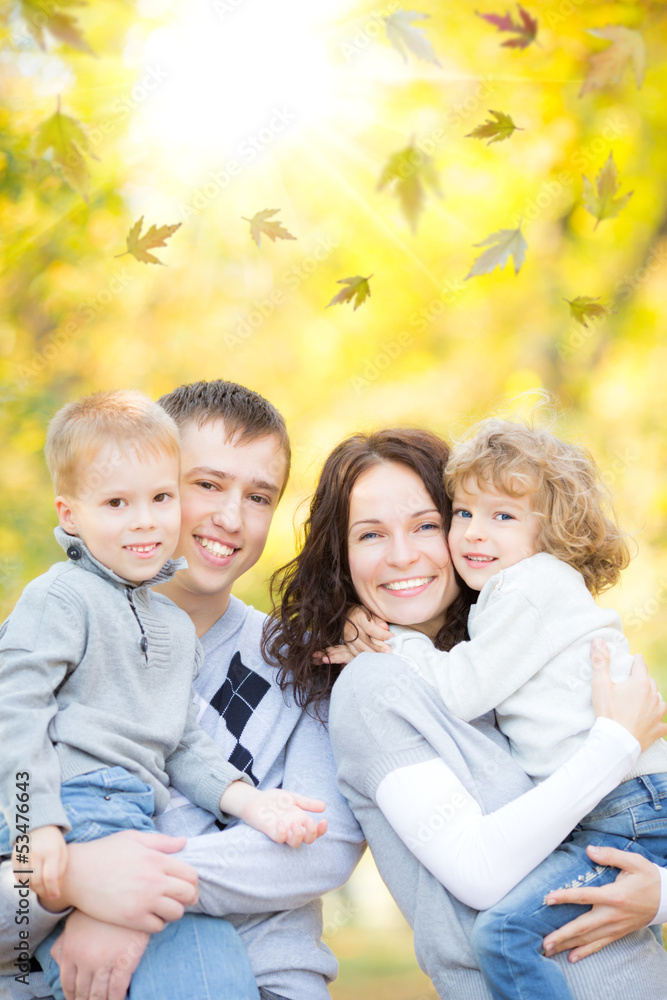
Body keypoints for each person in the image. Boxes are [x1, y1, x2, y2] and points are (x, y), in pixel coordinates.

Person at [264, 427, 667, 999]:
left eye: (427, 524)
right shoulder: (377, 684)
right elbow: (480, 872)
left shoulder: (503, 665)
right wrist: (616, 743)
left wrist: (657, 897)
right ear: (342, 556)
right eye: (372, 534)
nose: (403, 554)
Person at [0, 381, 364, 1000]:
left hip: (257, 978)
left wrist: (128, 893)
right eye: (207, 484)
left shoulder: (297, 662)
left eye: (259, 496)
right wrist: (70, 884)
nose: (231, 516)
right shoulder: (46, 630)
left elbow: (320, 846)